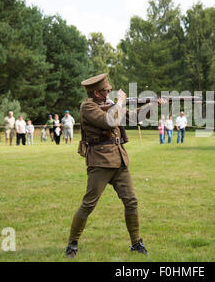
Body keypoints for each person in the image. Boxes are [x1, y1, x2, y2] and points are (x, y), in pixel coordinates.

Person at [65, 73, 166, 259]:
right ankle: (72, 243)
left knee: (131, 201)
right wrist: (120, 102)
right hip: (100, 161)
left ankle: (136, 243)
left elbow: (134, 117)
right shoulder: (87, 106)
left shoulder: (111, 105)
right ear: (96, 93)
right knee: (88, 204)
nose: (110, 92)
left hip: (119, 159)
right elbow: (109, 121)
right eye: (107, 90)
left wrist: (153, 105)